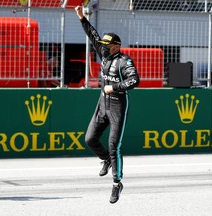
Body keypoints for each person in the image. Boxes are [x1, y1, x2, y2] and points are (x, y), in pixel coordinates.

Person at [75, 6, 140, 204]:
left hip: (118, 107)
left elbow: (135, 81)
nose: (103, 46)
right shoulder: (104, 54)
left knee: (114, 145)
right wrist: (82, 17)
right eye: (103, 44)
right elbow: (92, 35)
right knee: (89, 139)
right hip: (102, 105)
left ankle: (116, 182)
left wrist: (115, 87)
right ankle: (105, 160)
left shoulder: (124, 61)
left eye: (107, 44)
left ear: (116, 46)